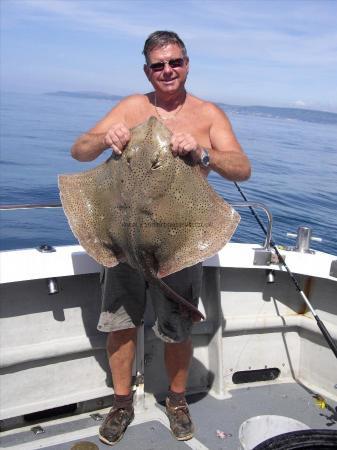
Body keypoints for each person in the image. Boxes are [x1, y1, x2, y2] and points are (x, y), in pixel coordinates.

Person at [71, 30, 251, 446]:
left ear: (187, 64)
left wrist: (204, 153)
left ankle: (176, 399)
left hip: (179, 243)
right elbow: (79, 151)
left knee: (176, 330)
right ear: (147, 69)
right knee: (120, 325)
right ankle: (121, 403)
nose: (167, 71)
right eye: (158, 65)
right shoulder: (132, 106)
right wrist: (106, 138)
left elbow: (242, 167)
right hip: (121, 238)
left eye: (175, 62)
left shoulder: (207, 114)